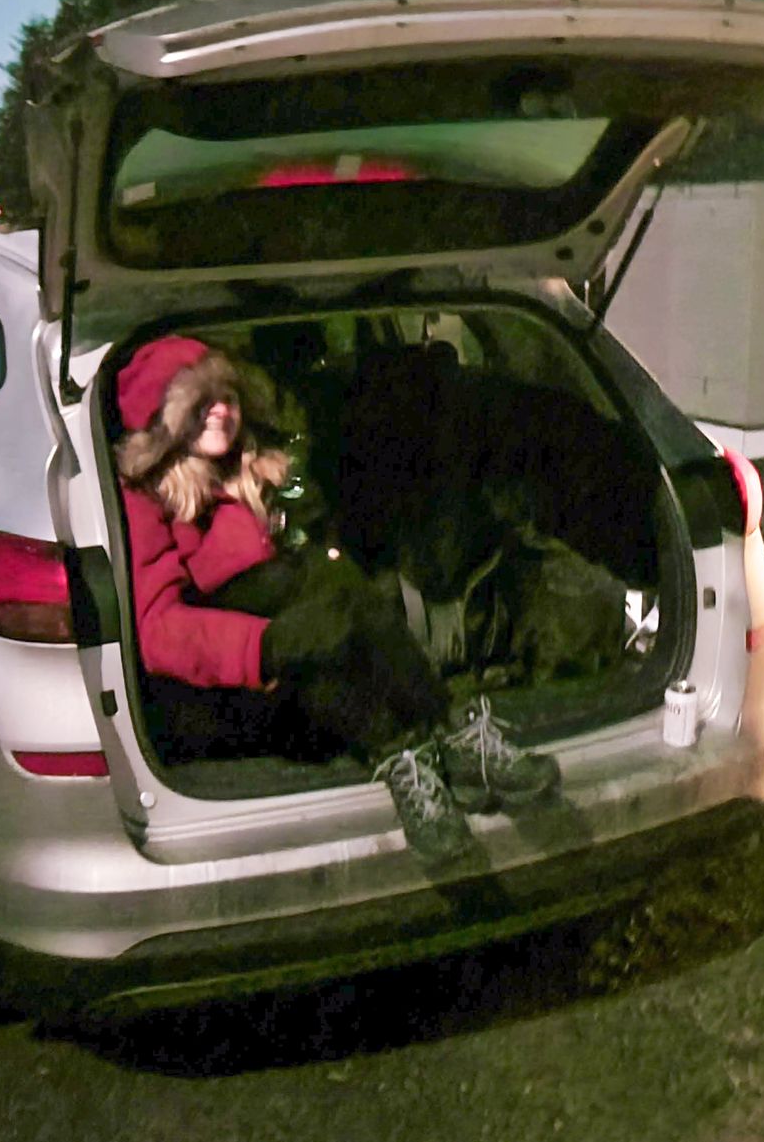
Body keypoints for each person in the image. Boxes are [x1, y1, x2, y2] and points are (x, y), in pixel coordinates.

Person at [114, 334, 559, 861]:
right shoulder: (145, 497)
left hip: (315, 661)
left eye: (227, 398)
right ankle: (441, 735)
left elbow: (315, 540)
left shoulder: (264, 469)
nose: (220, 412)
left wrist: (285, 500)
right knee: (327, 610)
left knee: (341, 589)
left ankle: (420, 752)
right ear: (164, 420)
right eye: (198, 403)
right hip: (229, 684)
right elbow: (158, 629)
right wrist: (268, 645)